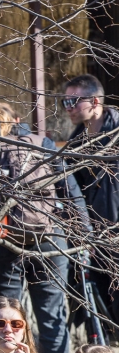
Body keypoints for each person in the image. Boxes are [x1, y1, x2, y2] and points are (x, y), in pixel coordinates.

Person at [0, 101, 89, 353]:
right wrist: (83, 232)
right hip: (49, 238)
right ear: (18, 120)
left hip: (3, 240)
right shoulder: (43, 143)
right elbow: (69, 189)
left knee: (5, 324)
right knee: (52, 320)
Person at [64, 75, 119, 323]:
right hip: (96, 235)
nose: (69, 108)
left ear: (95, 101)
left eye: (74, 101)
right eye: (65, 102)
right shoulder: (76, 142)